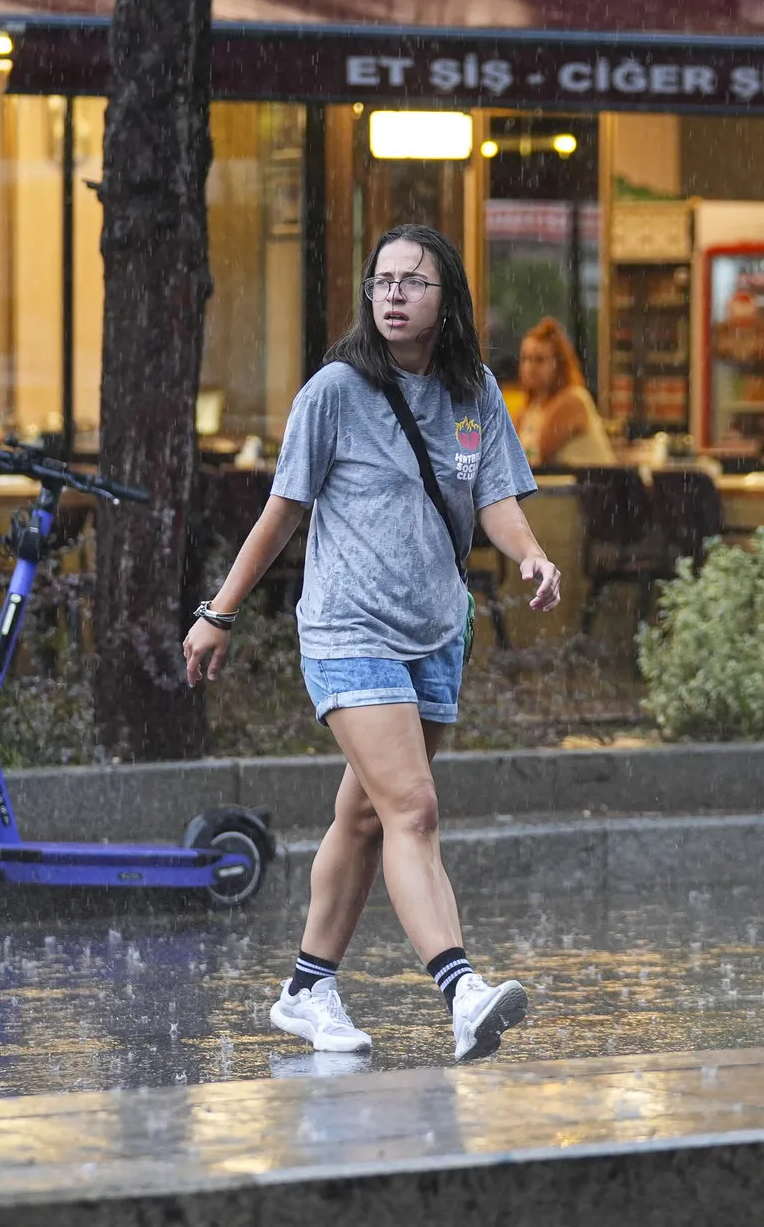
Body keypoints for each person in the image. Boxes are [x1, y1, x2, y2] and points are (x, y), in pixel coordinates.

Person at [183, 223, 562, 1062]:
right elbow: (282, 510)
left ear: (445, 299)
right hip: (347, 626)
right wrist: (220, 611)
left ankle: (306, 987)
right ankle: (461, 989)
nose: (392, 294)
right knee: (413, 809)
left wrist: (529, 552)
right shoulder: (335, 391)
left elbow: (493, 495)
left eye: (412, 282)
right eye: (382, 280)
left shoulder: (475, 393)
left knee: (361, 816)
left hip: (434, 630)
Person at [512, 317, 615, 467]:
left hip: (592, 487)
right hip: (553, 488)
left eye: (539, 360)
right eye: (525, 359)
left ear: (558, 364)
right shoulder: (528, 409)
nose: (530, 367)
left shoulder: (573, 400)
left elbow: (536, 453)